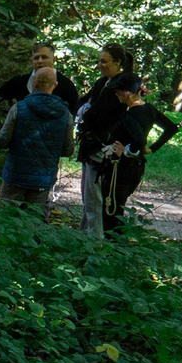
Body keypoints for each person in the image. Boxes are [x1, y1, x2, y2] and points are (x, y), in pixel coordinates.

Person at [85, 74, 178, 237]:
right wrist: (151, 148)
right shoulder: (149, 110)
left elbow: (138, 139)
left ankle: (112, 254)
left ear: (127, 93)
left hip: (120, 170)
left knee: (111, 215)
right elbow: (171, 128)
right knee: (116, 210)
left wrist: (127, 151)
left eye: (117, 91)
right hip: (136, 168)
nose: (116, 95)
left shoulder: (129, 115)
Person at [74, 42, 135, 232]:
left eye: (104, 62)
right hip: (89, 145)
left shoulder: (123, 86)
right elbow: (83, 103)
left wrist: (86, 113)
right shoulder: (102, 83)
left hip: (103, 147)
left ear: (117, 63)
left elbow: (98, 114)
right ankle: (84, 237)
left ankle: (95, 242)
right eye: (99, 61)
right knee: (87, 197)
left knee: (95, 200)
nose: (100, 65)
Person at [0, 65, 73, 209]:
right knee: (32, 221)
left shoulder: (19, 108)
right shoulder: (65, 114)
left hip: (15, 177)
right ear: (55, 85)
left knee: (5, 220)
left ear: (34, 83)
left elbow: (1, 140)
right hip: (43, 180)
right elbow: (69, 149)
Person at [0, 40, 80, 118]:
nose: (40, 61)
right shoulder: (19, 82)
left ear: (53, 60)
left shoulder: (66, 85)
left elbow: (73, 111)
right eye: (36, 58)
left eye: (44, 57)